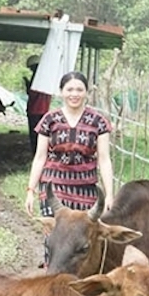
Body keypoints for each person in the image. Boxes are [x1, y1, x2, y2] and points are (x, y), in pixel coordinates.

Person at [24, 71, 115, 219]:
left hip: (85, 189)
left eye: (79, 90)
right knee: (55, 236)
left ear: (87, 92)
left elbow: (104, 160)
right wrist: (30, 190)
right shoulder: (49, 120)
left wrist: (109, 194)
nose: (74, 94)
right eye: (69, 89)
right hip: (52, 188)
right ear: (61, 92)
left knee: (80, 238)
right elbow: (40, 157)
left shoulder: (99, 122)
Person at [23, 56, 53, 155]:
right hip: (44, 109)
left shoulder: (36, 78)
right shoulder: (47, 77)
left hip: (35, 109)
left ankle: (36, 153)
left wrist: (27, 84)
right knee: (43, 132)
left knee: (34, 133)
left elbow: (32, 93)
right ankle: (43, 152)